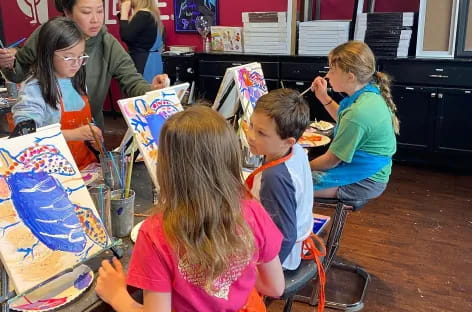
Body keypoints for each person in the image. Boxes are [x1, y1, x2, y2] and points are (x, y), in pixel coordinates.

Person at [95, 106, 285, 312]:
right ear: (231, 159)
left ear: (167, 168)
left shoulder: (155, 234)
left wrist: (117, 295)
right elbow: (275, 287)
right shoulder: (253, 210)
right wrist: (236, 269)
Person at [0, 0, 169, 130]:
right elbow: (19, 71)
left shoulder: (107, 43)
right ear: (67, 12)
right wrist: (9, 63)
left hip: (91, 132)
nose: (95, 19)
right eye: (87, 12)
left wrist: (151, 89)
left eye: (100, 11)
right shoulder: (48, 34)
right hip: (50, 131)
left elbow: (131, 80)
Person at [309, 41, 399, 207]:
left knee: (286, 188)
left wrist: (299, 167)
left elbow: (331, 160)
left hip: (365, 181)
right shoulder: (370, 93)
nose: (327, 76)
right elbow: (347, 121)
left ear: (350, 76)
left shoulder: (358, 113)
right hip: (374, 173)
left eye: (332, 70)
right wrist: (323, 97)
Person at [12, 17, 100, 170]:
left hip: (85, 165)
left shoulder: (76, 79)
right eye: (69, 57)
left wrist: (93, 136)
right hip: (53, 169)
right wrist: (74, 134)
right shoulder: (34, 88)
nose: (76, 63)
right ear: (48, 54)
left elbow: (84, 122)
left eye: (81, 56)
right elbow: (25, 136)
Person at [245, 88, 313, 271]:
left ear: (288, 141)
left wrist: (268, 276)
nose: (250, 136)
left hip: (281, 259)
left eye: (261, 133)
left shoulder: (274, 177)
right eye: (251, 125)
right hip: (292, 243)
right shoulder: (296, 150)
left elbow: (286, 236)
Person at [118, 0, 164, 83]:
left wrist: (124, 13)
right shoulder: (150, 14)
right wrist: (122, 13)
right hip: (153, 61)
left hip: (144, 62)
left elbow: (126, 36)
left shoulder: (142, 15)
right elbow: (131, 33)